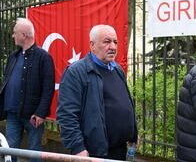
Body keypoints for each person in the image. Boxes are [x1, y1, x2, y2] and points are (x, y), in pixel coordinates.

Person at [56, 24, 137, 160]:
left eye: (115, 42)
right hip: (94, 154)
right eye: (107, 42)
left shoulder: (117, 69)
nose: (113, 47)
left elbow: (126, 103)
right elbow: (66, 115)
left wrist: (133, 133)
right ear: (92, 45)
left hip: (120, 150)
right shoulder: (76, 73)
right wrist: (78, 148)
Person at [0, 18, 55, 162]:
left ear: (24, 35)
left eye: (15, 33)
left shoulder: (44, 57)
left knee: (34, 151)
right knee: (9, 150)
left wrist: (41, 113)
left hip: (33, 116)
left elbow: (48, 88)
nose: (12, 36)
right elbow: (7, 80)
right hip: (12, 114)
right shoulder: (13, 57)